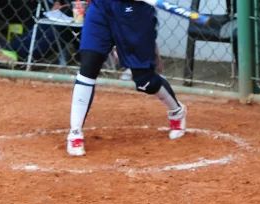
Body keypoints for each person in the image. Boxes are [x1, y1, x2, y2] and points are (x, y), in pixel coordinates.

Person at [65, 0, 186, 156]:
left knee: (145, 81)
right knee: (89, 65)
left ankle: (176, 111)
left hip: (134, 13)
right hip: (101, 7)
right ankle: (75, 133)